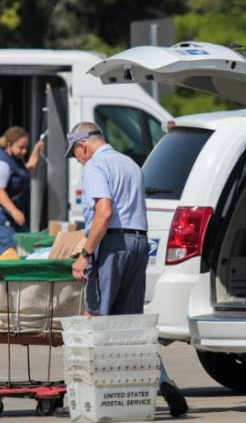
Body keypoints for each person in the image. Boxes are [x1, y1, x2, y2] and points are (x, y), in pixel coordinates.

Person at [66, 122, 188, 417]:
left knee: (95, 318)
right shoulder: (131, 164)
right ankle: (164, 383)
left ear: (84, 145)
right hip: (138, 243)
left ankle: (88, 394)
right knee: (130, 326)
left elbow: (104, 212)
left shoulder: (96, 165)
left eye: (76, 154)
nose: (78, 160)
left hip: (112, 244)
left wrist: (85, 253)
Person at [0, 126, 43, 255]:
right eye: (20, 147)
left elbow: (27, 172)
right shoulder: (2, 163)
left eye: (26, 148)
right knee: (8, 250)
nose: (24, 151)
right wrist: (15, 211)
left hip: (7, 213)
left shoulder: (16, 160)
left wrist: (36, 152)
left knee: (26, 245)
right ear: (9, 144)